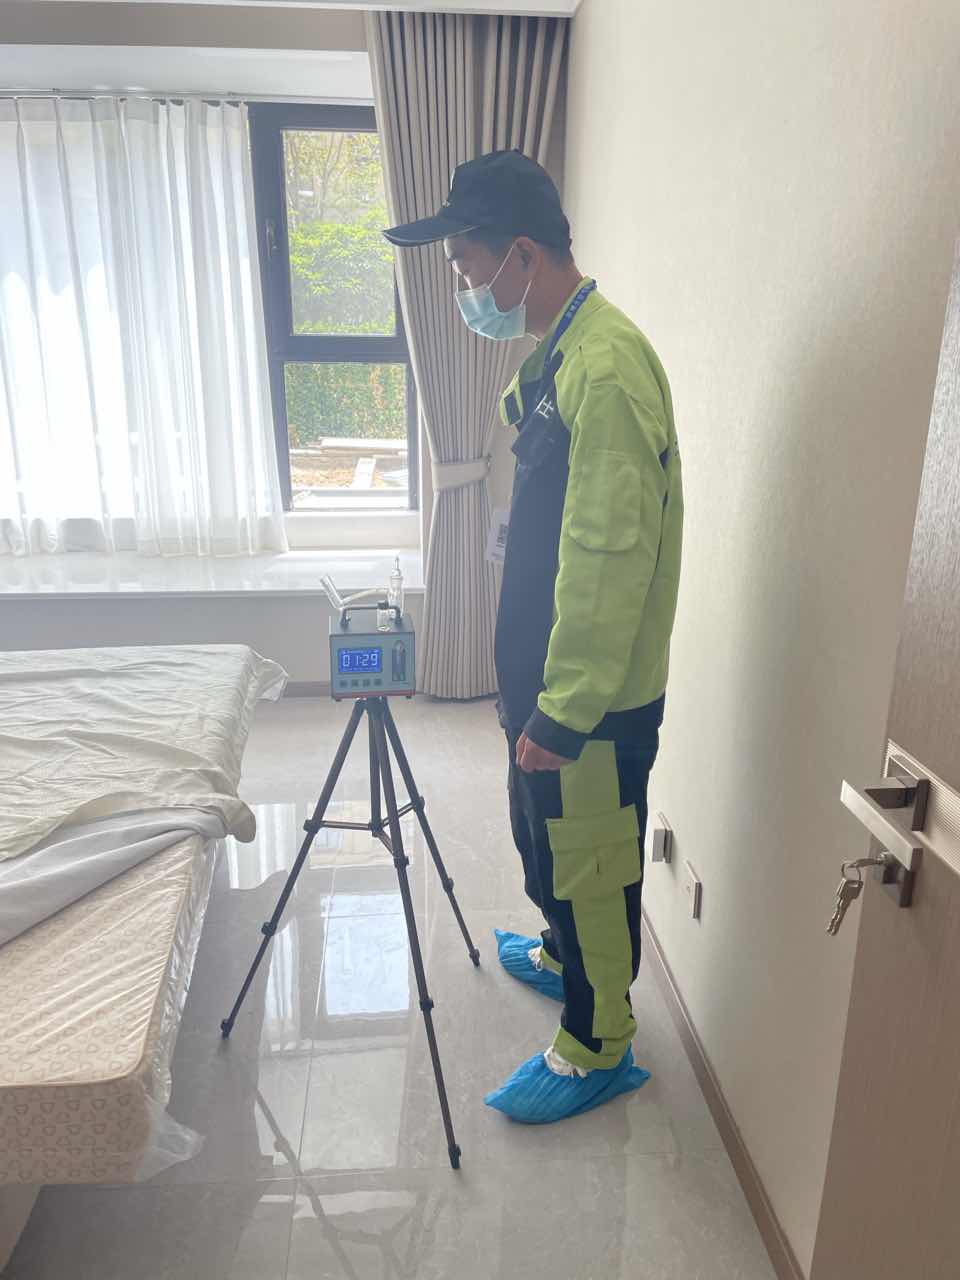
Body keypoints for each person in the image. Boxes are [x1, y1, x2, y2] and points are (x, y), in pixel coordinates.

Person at [384, 150, 683, 1124]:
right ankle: (562, 952)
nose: (467, 290)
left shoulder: (609, 367)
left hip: (589, 699)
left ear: (520, 255)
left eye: (468, 269)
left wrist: (563, 710)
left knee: (590, 858)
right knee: (544, 838)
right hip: (546, 678)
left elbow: (608, 555)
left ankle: (599, 1043)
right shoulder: (561, 349)